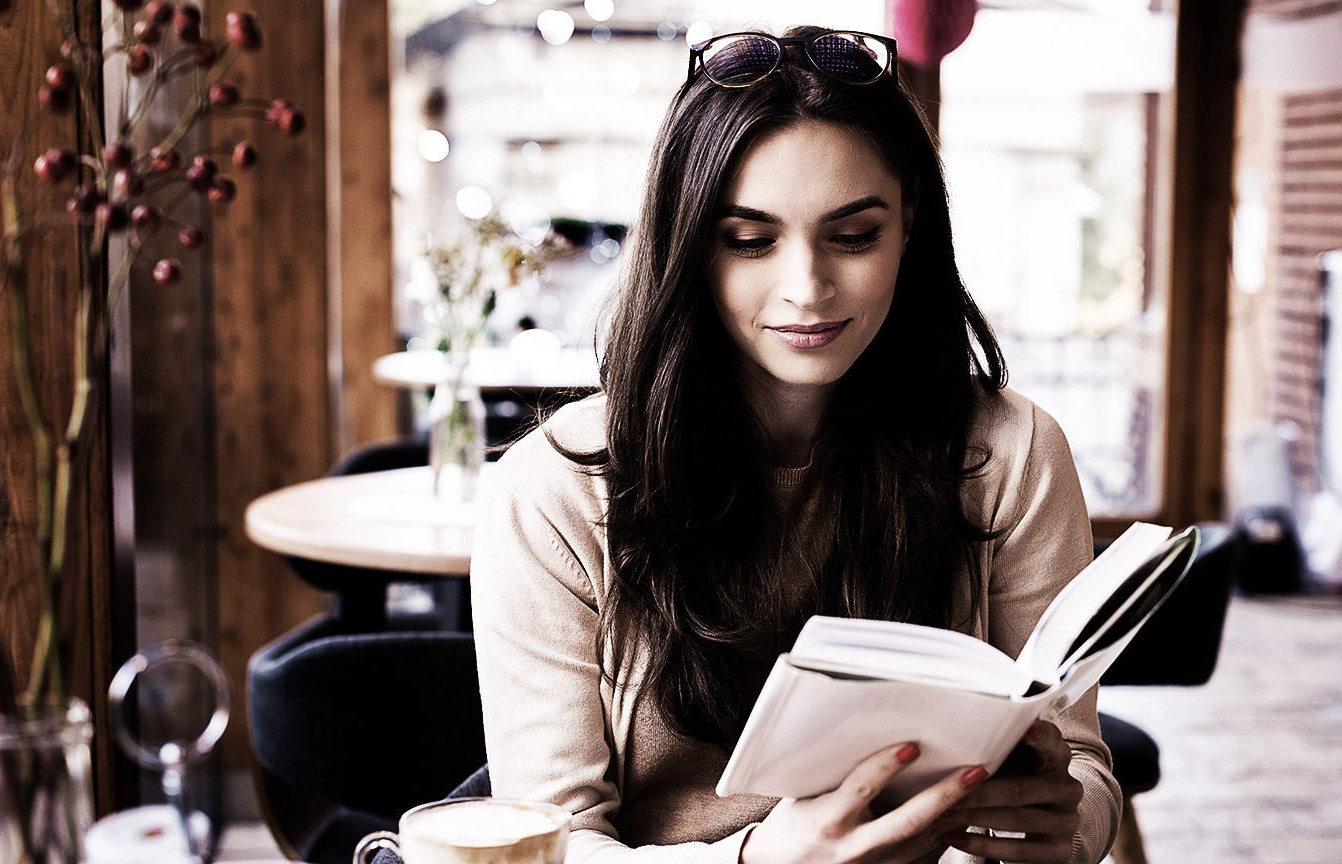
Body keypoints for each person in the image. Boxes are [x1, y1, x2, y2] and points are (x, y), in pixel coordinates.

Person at [470, 26, 1119, 864]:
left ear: (911, 225)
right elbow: (546, 846)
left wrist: (1067, 827)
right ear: (687, 245)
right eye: (749, 241)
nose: (807, 290)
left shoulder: (1010, 453)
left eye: (853, 236)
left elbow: (1086, 769)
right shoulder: (555, 492)